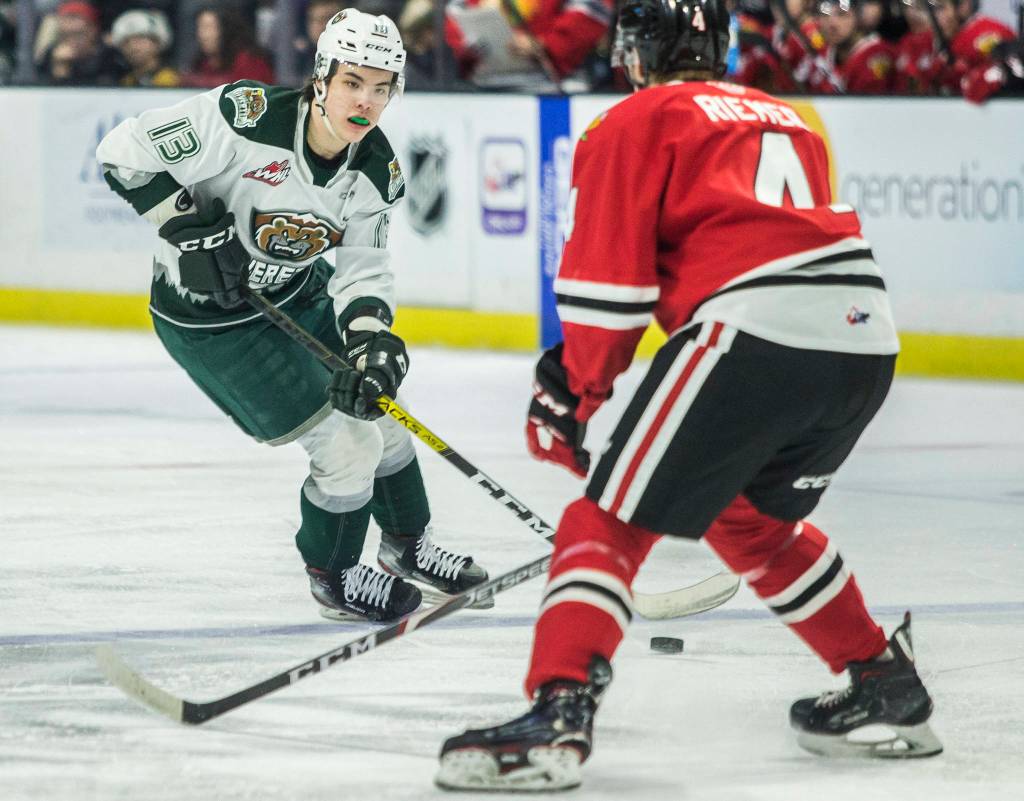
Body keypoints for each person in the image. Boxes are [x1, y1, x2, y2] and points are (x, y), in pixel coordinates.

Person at [436, 0, 941, 790]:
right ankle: (881, 678)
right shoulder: (789, 118)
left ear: (635, 51)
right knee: (753, 523)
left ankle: (558, 711)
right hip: (864, 340)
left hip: (754, 333)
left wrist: (573, 393)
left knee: (604, 520)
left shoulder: (634, 120)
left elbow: (610, 290)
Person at [95, 8, 490, 624]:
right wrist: (183, 228)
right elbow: (122, 153)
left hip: (297, 294)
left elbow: (362, 269)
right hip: (212, 323)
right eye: (354, 81)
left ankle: (405, 545)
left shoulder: (374, 170)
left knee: (381, 411)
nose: (366, 100)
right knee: (345, 443)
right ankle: (332, 575)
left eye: (382, 87)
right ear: (322, 77)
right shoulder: (242, 118)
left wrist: (371, 344)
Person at [809, 0, 895, 93]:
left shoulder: (877, 54)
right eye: (825, 15)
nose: (832, 24)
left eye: (842, 14)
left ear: (858, 18)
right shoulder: (821, 55)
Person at [181, 6, 275, 87]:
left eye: (209, 27)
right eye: (200, 28)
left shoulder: (248, 61)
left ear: (226, 29)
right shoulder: (203, 62)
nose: (202, 35)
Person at [37, 1, 125, 85]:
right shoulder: (51, 55)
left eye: (77, 34)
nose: (71, 41)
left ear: (92, 31)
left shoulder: (110, 56)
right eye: (65, 36)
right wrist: (60, 69)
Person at [110, 9, 180, 87]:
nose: (133, 47)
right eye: (127, 42)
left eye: (140, 39)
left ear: (157, 42)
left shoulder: (176, 79)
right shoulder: (126, 82)